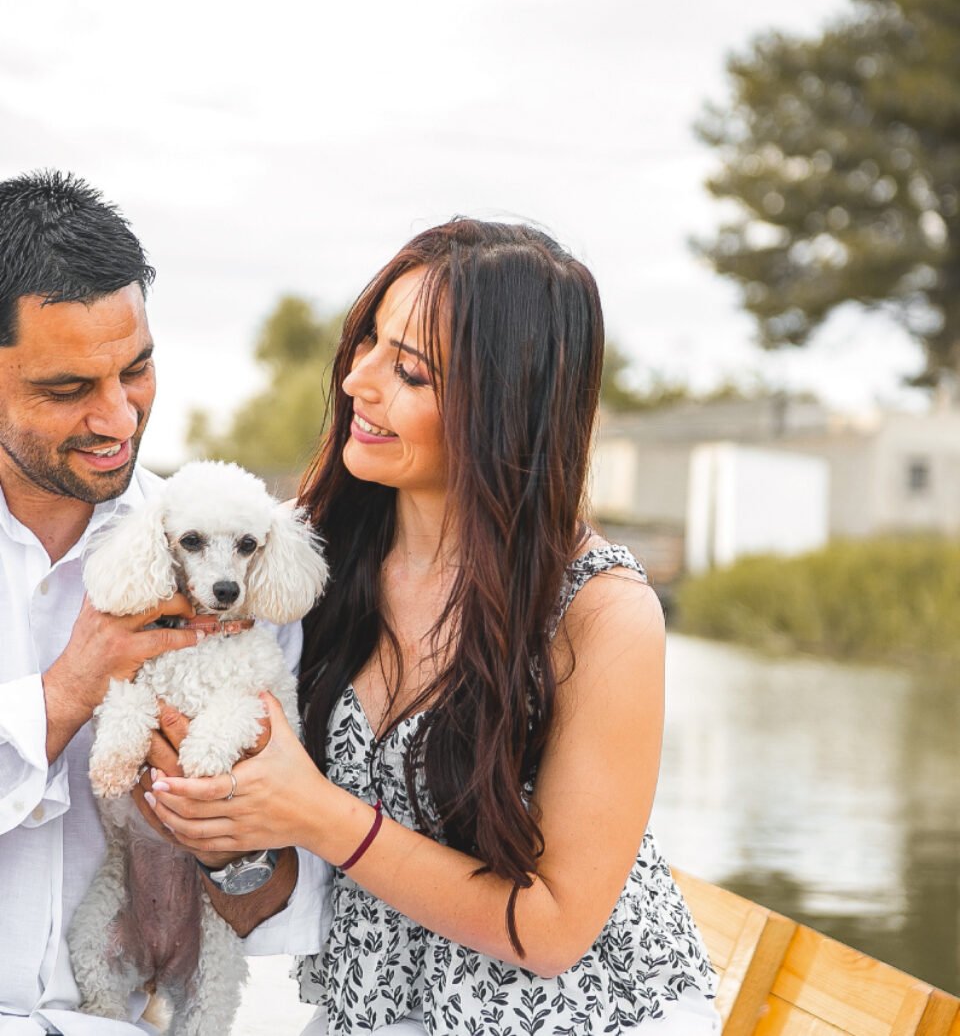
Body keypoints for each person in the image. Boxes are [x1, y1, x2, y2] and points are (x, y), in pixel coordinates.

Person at [147, 219, 721, 1034]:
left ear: (506, 405)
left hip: (577, 1015)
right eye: (368, 343)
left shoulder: (601, 610)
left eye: (409, 371)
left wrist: (315, 812)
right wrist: (223, 836)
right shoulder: (299, 565)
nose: (357, 382)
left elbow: (554, 930)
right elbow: (267, 887)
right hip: (376, 1012)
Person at [0, 170, 325, 1035]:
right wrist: (70, 689)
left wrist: (241, 840)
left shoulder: (235, 568)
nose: (119, 417)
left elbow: (274, 897)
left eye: (137, 369)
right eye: (67, 389)